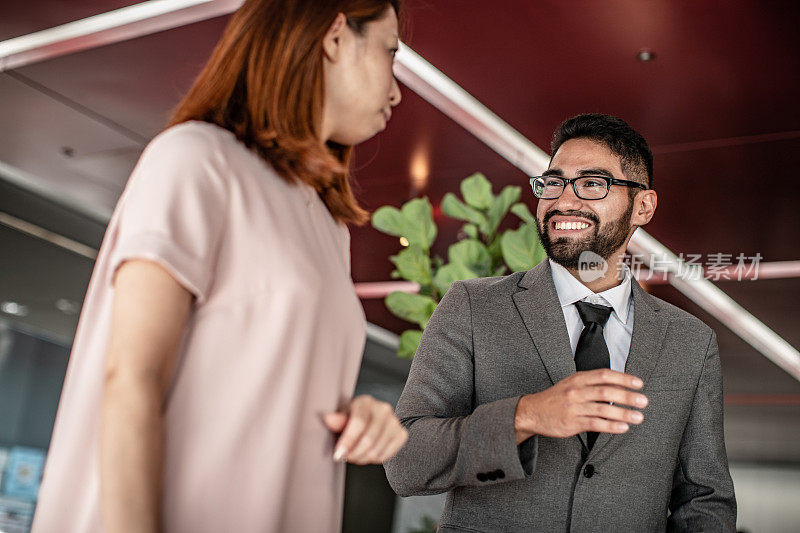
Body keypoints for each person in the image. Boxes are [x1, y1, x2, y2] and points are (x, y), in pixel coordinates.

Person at [32, 1, 407, 532]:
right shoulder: (195, 160)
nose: (395, 90)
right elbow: (131, 378)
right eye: (390, 52)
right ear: (334, 35)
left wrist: (362, 416)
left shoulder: (329, 227)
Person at [384, 114, 736, 531]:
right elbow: (405, 463)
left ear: (643, 206)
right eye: (553, 182)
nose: (564, 200)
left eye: (592, 183)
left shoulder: (690, 342)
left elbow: (705, 499)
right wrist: (527, 416)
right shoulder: (473, 307)